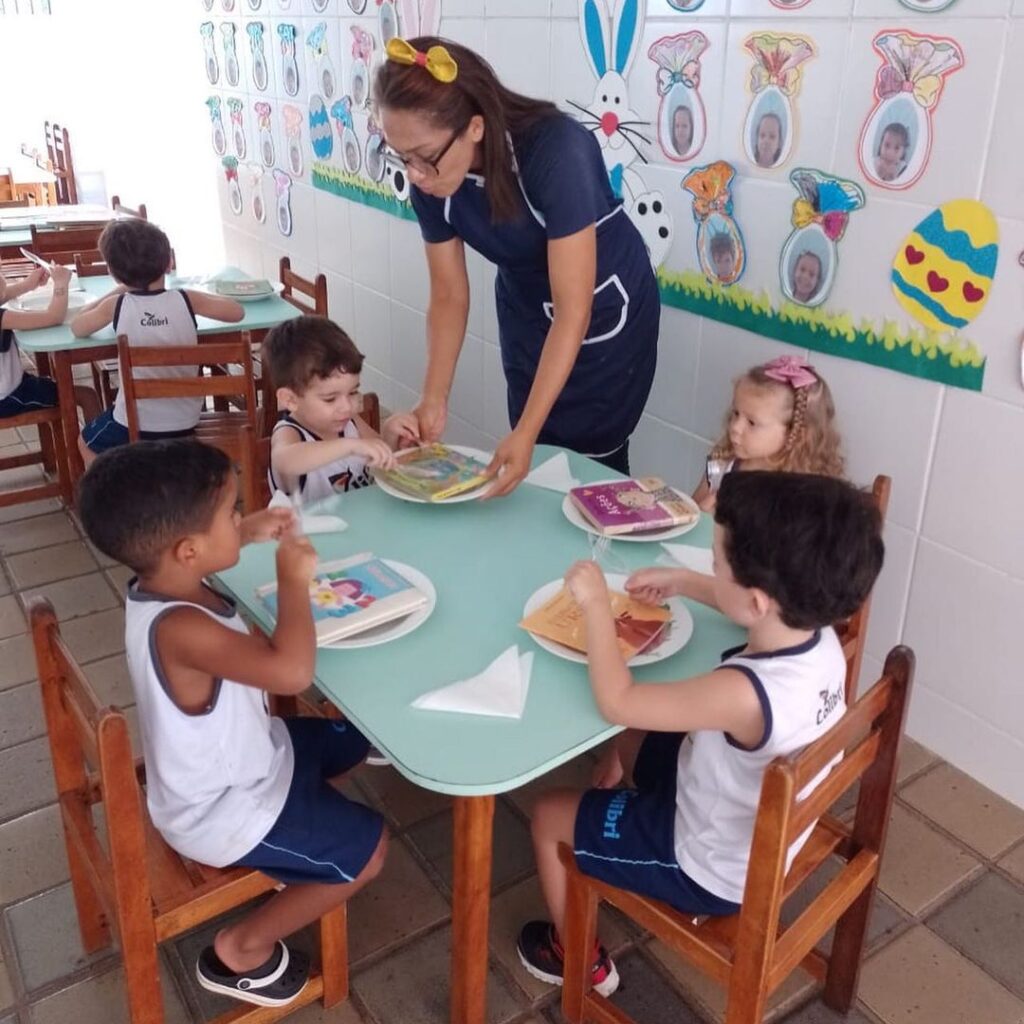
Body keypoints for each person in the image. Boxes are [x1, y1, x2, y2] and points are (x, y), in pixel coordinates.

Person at [516, 470, 885, 996]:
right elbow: (745, 604)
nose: (711, 568)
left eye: (716, 562)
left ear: (757, 601)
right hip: (750, 813)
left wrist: (597, 605)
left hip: (710, 865)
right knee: (636, 737)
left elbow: (616, 701)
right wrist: (685, 583)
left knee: (549, 814)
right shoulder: (819, 635)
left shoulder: (743, 693)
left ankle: (574, 955)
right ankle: (618, 822)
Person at [77, 440, 388, 1009]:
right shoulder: (181, 631)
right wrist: (292, 578)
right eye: (231, 512)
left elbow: (197, 551)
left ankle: (295, 846)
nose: (240, 518)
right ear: (190, 550)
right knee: (369, 851)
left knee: (352, 742)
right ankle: (239, 949)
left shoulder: (161, 585)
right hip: (222, 812)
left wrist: (243, 533)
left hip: (249, 759)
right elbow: (292, 673)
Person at [375, 36, 660, 491]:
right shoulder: (428, 179)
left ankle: (599, 554)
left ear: (474, 127)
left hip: (602, 306)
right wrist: (433, 400)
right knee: (537, 444)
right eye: (400, 156)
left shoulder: (555, 150)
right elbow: (448, 295)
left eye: (424, 158)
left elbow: (574, 309)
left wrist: (524, 434)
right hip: (528, 303)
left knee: (588, 452)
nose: (413, 174)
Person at [70, 218, 245, 463]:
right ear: (168, 263)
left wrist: (116, 290)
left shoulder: (117, 305)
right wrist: (194, 295)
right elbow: (237, 312)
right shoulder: (186, 299)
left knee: (85, 441)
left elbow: (77, 326)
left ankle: (110, 496)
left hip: (135, 424)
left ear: (113, 272)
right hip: (186, 419)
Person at [262, 315, 418, 502]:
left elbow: (380, 457)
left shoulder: (349, 421)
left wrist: (391, 434)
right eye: (330, 399)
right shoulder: (289, 433)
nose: (347, 406)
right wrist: (350, 446)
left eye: (353, 392)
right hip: (309, 530)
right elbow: (286, 461)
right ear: (290, 399)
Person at [692, 355, 843, 512]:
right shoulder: (721, 467)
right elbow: (688, 516)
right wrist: (702, 515)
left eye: (752, 422)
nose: (735, 427)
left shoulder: (802, 494)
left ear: (796, 434)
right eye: (736, 413)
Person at [0, 264, 99, 421]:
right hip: (8, 398)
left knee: (50, 383)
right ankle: (97, 444)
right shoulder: (4, 318)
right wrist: (60, 284)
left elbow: (3, 294)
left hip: (10, 387)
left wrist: (28, 285)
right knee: (87, 396)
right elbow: (54, 317)